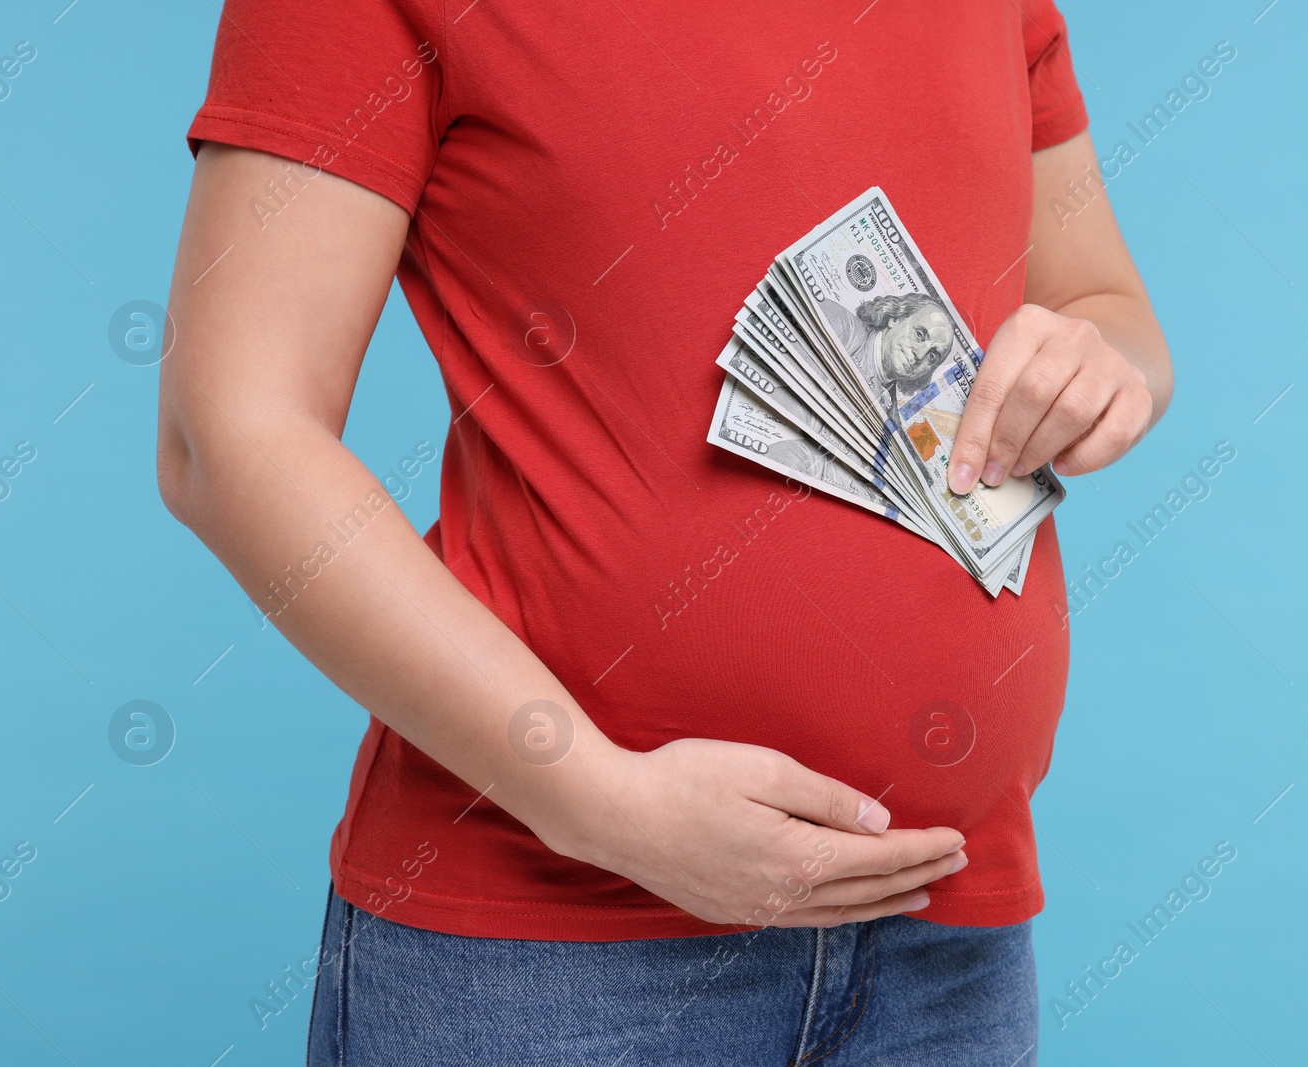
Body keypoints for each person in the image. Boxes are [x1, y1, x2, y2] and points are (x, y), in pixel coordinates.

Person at [158, 2, 1171, 1064]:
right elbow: (226, 434)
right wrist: (596, 802)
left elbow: (1102, 303)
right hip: (546, 958)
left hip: (947, 944)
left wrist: (1103, 370)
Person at [818, 293, 955, 416]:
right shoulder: (835, 322)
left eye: (932, 356)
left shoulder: (891, 421)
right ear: (895, 319)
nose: (919, 355)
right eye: (919, 335)